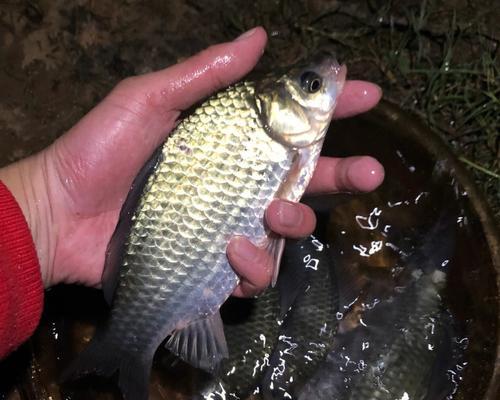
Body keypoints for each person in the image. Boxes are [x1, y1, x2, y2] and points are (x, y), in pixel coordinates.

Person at [0, 27, 384, 360]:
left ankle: (135, 342)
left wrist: (46, 211)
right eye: (311, 85)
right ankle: (131, 346)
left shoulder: (277, 137)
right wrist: (49, 205)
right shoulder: (259, 125)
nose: (325, 83)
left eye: (310, 85)